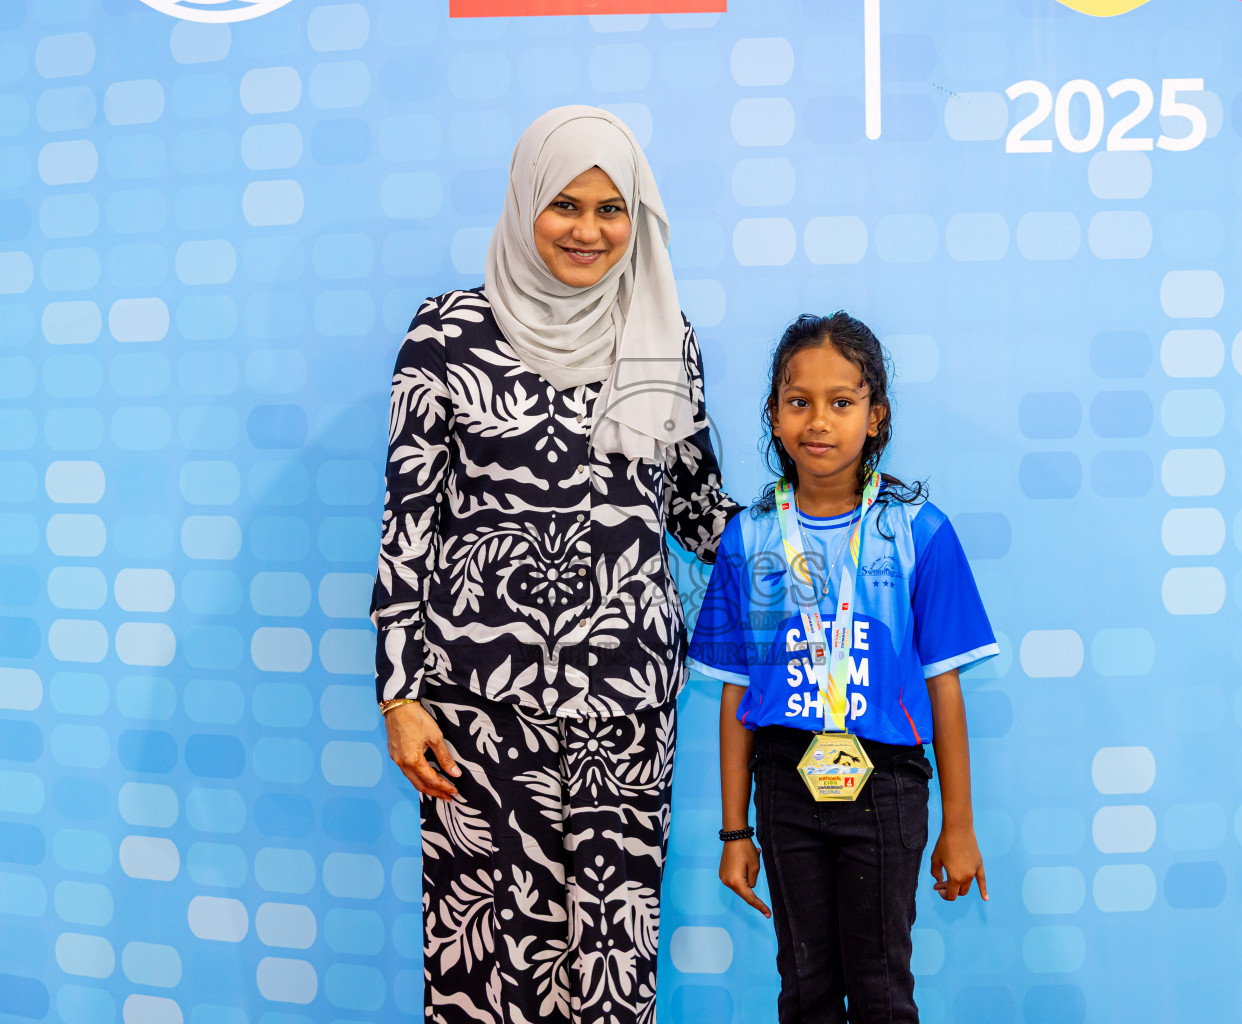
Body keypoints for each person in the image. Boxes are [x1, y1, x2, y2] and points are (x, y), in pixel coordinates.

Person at [369, 106, 739, 1024]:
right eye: (565, 205)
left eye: (612, 208)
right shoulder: (447, 335)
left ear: (638, 217)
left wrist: (818, 538)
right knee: (485, 955)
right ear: (526, 203)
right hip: (476, 710)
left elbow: (694, 509)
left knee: (611, 954)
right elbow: (408, 521)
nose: (588, 230)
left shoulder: (666, 335)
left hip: (626, 708)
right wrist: (399, 693)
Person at [688, 312, 998, 1024]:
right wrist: (736, 832)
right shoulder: (750, 537)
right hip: (784, 784)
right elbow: (736, 698)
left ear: (876, 416)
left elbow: (944, 688)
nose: (818, 421)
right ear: (773, 415)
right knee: (805, 988)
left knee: (882, 985)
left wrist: (961, 825)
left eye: (842, 401)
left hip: (886, 784)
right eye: (798, 402)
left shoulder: (918, 531)